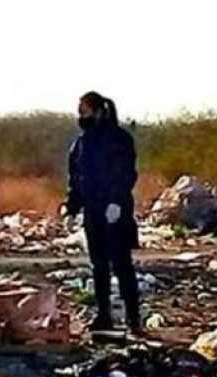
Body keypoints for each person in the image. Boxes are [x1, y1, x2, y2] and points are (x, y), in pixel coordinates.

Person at [64, 91, 143, 335]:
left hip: (115, 210)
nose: (81, 116)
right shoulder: (81, 143)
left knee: (122, 265)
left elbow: (125, 172)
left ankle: (133, 319)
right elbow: (76, 178)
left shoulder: (119, 139)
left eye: (84, 111)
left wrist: (117, 201)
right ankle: (103, 316)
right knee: (98, 265)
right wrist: (71, 207)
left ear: (98, 111)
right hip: (93, 211)